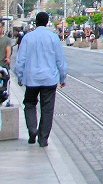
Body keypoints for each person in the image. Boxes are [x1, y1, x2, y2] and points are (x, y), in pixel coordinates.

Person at [13, 12, 68, 147]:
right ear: (47, 21)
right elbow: (60, 60)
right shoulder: (54, 38)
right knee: (47, 109)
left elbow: (21, 60)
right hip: (49, 79)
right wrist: (62, 77)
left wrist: (19, 77)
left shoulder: (28, 38)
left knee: (30, 104)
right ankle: (43, 139)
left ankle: (32, 130)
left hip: (31, 78)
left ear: (36, 22)